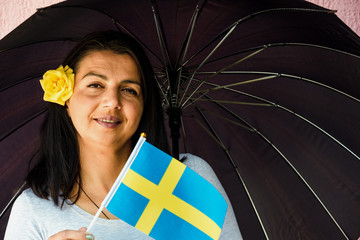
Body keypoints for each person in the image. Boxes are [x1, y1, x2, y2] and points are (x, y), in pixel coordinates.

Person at [4, 31, 242, 240]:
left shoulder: (188, 179)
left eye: (129, 90)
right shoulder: (34, 210)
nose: (112, 102)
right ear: (66, 99)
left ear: (143, 106)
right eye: (96, 85)